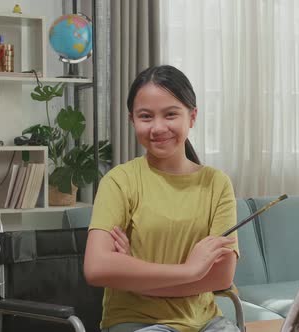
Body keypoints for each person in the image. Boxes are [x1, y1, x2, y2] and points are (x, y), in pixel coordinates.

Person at [84, 65, 240, 332]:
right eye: (146, 116)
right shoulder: (119, 181)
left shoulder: (217, 184)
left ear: (192, 116)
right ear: (132, 119)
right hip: (138, 322)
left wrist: (134, 273)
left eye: (170, 114)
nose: (158, 127)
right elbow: (97, 268)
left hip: (207, 323)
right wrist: (191, 271)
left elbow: (220, 276)